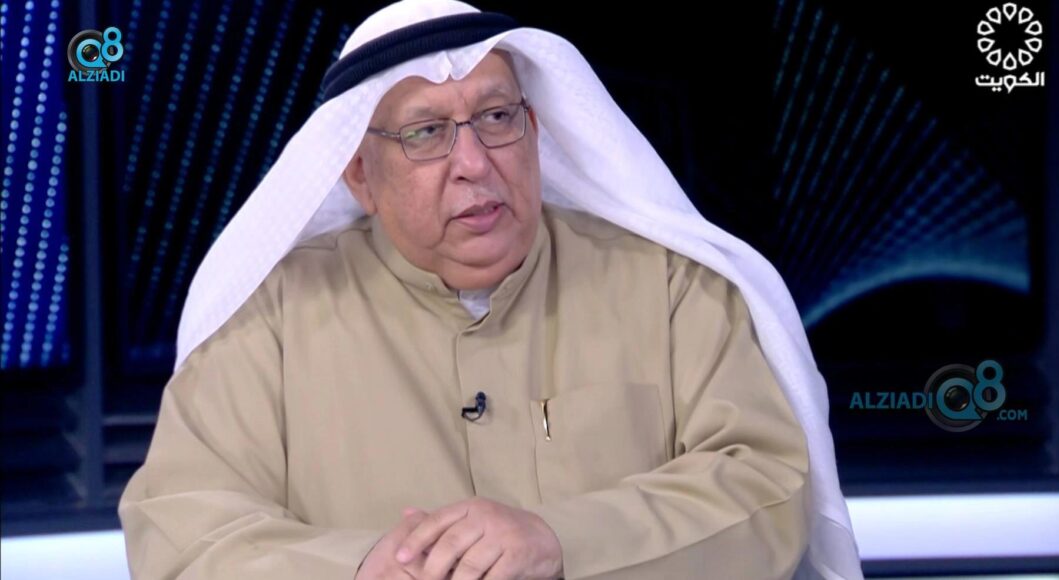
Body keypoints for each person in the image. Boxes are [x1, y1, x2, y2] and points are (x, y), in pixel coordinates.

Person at [119, 1, 863, 578]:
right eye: (425, 133)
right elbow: (182, 533)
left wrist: (562, 541)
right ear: (359, 176)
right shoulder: (266, 324)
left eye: (496, 117)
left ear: (535, 129)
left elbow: (768, 487)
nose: (474, 161)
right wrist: (359, 568)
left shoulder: (670, 285)